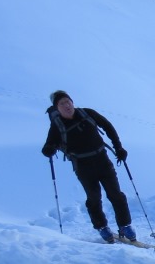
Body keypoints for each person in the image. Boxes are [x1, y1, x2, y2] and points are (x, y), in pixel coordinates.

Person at [41, 91, 135, 243]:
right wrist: (49, 150)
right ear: (57, 108)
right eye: (62, 103)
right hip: (83, 166)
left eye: (68, 101)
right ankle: (101, 226)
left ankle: (125, 225)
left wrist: (118, 147)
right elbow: (49, 145)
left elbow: (108, 127)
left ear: (72, 102)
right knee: (94, 197)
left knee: (116, 194)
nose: (66, 105)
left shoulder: (87, 113)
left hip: (102, 160)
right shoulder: (57, 125)